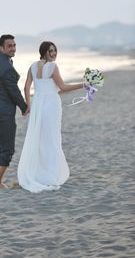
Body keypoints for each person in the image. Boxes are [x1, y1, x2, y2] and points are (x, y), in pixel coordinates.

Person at [17, 41, 84, 193]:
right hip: (51, 104)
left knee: (40, 138)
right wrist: (83, 85)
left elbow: (26, 87)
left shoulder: (32, 66)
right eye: (50, 51)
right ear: (44, 52)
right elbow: (63, 87)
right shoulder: (53, 67)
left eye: (55, 51)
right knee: (52, 137)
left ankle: (39, 173)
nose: (54, 53)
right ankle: (51, 174)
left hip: (38, 104)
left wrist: (29, 104)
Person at [0, 25, 28, 188]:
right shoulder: (8, 69)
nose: (13, 48)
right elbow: (14, 92)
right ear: (3, 48)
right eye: (10, 46)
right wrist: (24, 107)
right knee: (7, 148)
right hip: (3, 112)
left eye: (14, 45)